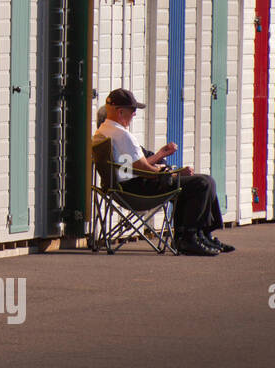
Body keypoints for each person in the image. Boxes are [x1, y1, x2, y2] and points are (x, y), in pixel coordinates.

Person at [92, 88, 234, 255]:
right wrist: (171, 174)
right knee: (203, 183)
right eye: (133, 110)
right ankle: (190, 237)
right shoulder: (123, 135)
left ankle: (197, 235)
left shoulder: (104, 131)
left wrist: (160, 161)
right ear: (120, 112)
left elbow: (130, 166)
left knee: (195, 183)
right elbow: (142, 169)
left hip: (123, 186)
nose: (135, 114)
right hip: (138, 189)